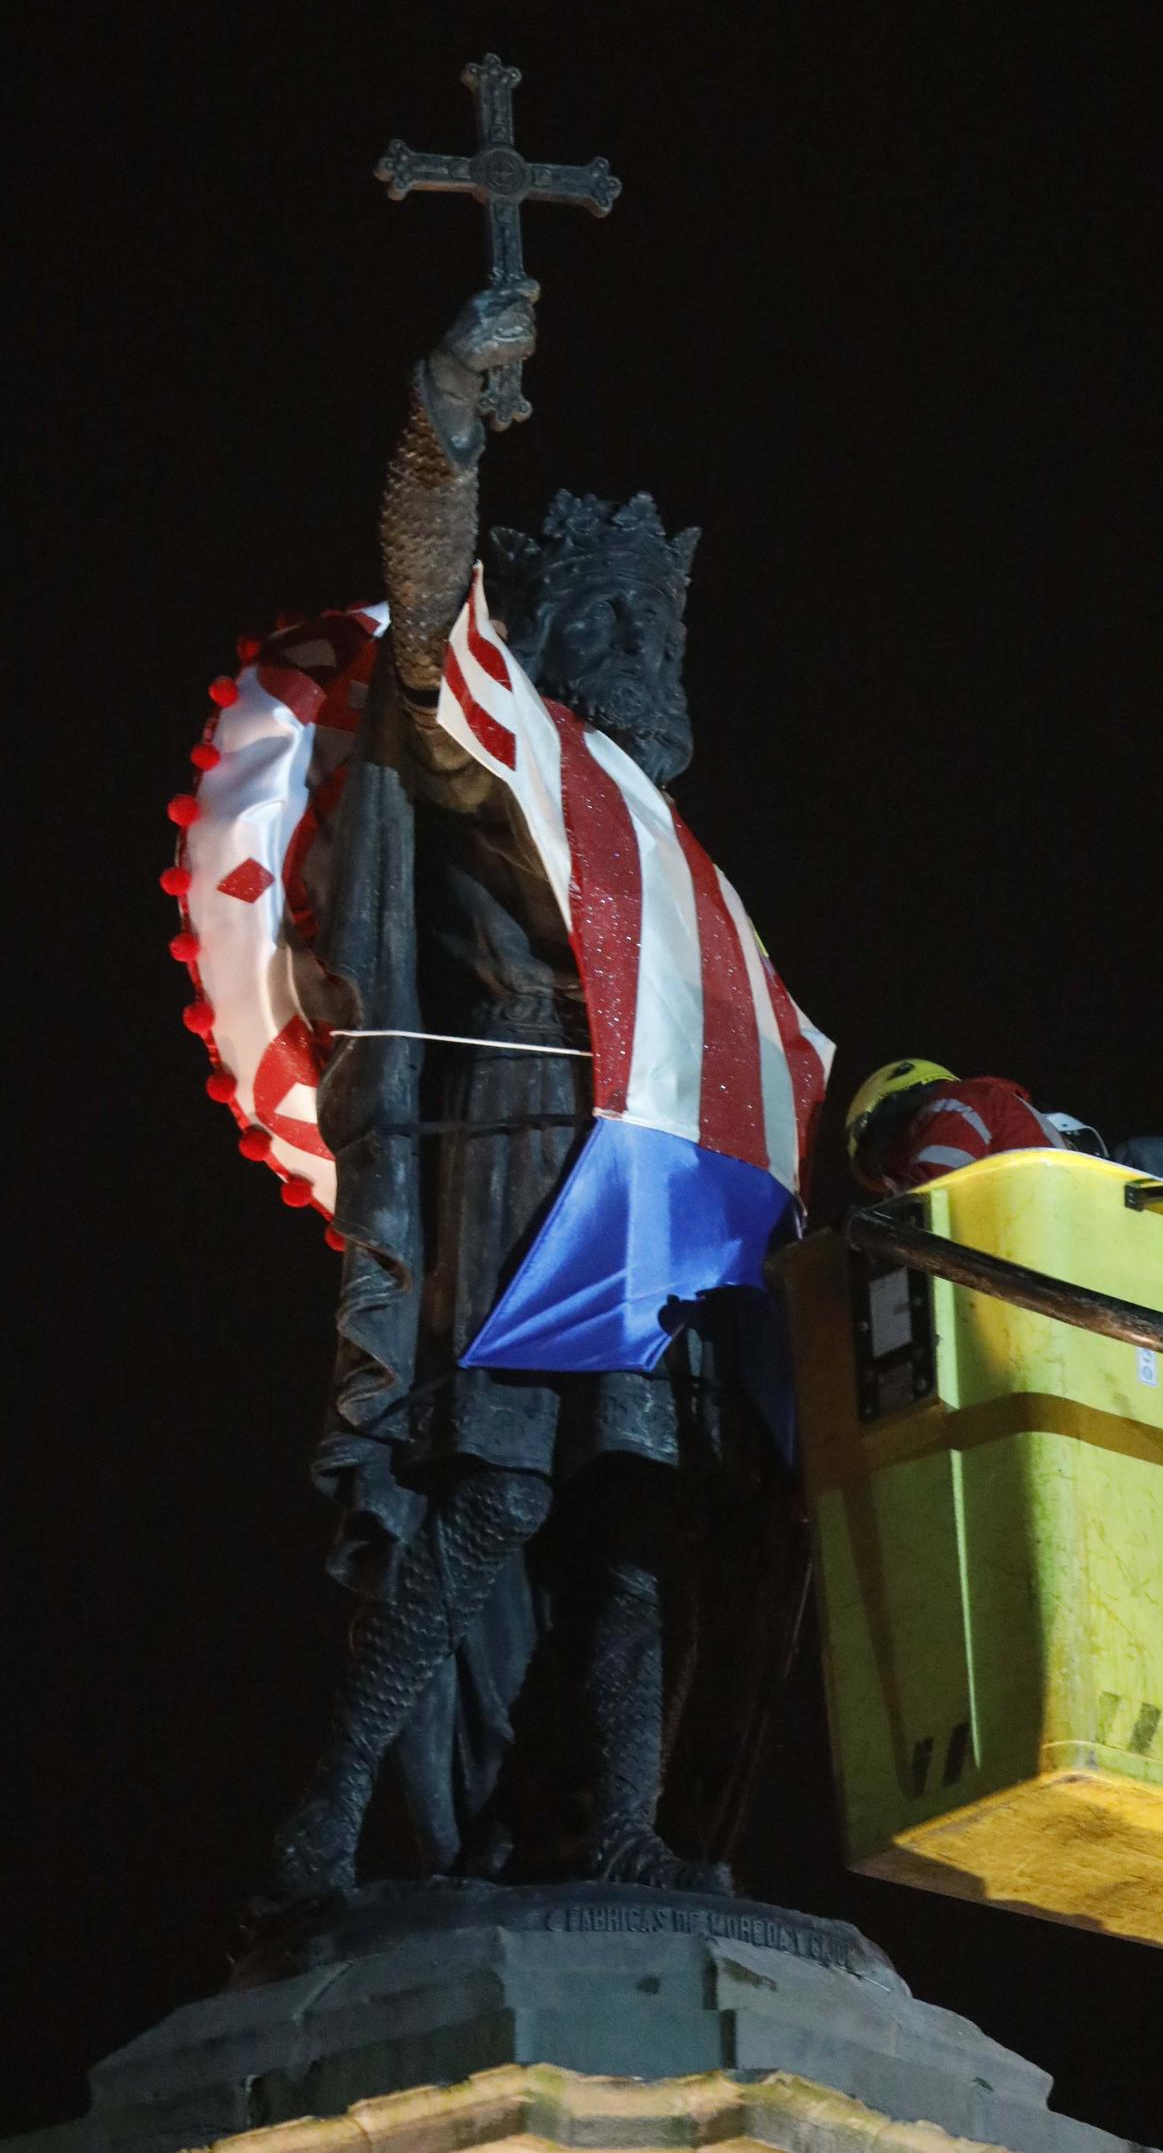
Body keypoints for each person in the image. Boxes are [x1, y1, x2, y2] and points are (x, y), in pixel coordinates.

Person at [256, 288, 830, 1911]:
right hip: (515, 1173)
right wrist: (442, 422)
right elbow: (422, 591)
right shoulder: (489, 748)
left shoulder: (665, 855)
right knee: (497, 1492)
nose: (646, 660)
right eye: (618, 628)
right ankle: (330, 1811)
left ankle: (627, 1826)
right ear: (558, 637)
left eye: (661, 632)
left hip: (652, 1183)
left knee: (638, 1513)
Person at [845, 1058, 1073, 1194]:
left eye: (878, 1161)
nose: (889, 1178)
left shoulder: (957, 1100)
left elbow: (937, 1188)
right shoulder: (1004, 1111)